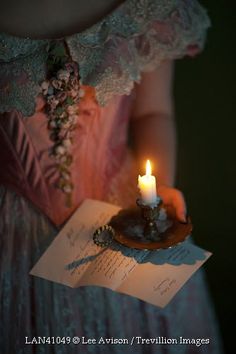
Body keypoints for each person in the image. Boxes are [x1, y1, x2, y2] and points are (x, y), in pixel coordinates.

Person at [0, 0, 223, 353]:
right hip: (14, 230)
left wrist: (161, 187)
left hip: (123, 212)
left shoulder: (144, 7)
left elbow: (153, 111)